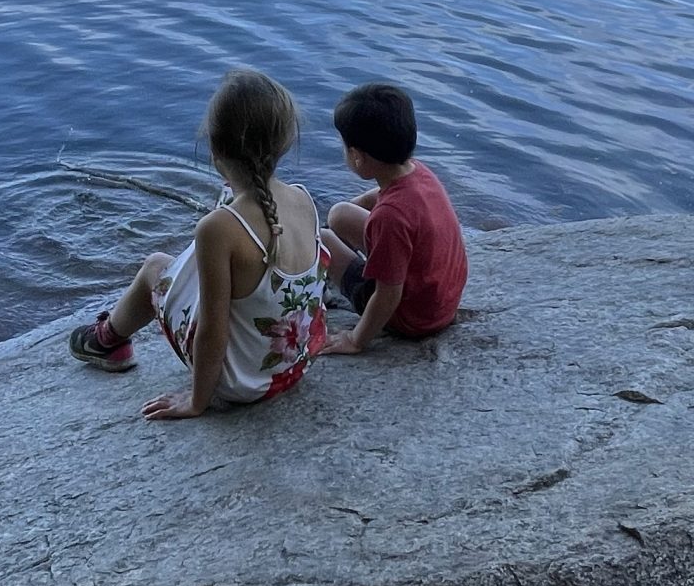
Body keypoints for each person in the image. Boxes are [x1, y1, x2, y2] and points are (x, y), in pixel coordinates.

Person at [68, 69, 327, 420]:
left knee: (155, 268)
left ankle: (106, 341)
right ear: (284, 143)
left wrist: (197, 400)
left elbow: (212, 330)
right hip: (291, 368)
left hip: (243, 383)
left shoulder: (218, 228)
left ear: (215, 148)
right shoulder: (302, 199)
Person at [319, 81, 467, 353]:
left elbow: (389, 295)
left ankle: (320, 287)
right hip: (439, 299)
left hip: (412, 317)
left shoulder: (390, 217)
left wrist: (355, 340)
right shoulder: (419, 172)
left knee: (322, 239)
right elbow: (373, 199)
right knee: (339, 213)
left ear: (356, 157)